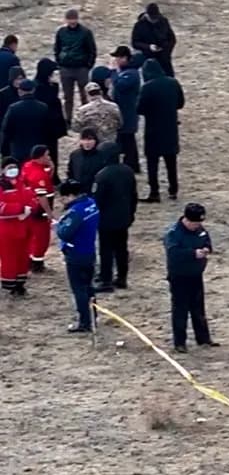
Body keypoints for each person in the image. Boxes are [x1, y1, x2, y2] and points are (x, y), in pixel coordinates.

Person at [165, 202, 216, 349]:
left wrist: (207, 248)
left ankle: (204, 339)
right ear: (186, 220)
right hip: (179, 276)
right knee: (180, 310)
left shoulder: (200, 229)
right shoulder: (174, 233)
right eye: (195, 223)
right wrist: (193, 253)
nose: (197, 226)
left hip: (196, 275)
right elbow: (173, 253)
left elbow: (206, 240)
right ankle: (180, 343)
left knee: (198, 308)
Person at [138, 58, 186, 201]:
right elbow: (180, 103)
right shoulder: (173, 83)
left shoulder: (147, 87)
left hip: (153, 130)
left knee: (152, 163)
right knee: (171, 162)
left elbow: (139, 109)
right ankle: (173, 190)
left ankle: (154, 192)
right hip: (170, 129)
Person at [54, 179, 99, 334]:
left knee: (79, 289)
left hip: (76, 254)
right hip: (89, 251)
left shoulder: (76, 212)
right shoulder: (91, 204)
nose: (62, 201)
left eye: (63, 198)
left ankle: (84, 322)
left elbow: (64, 233)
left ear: (71, 195)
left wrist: (59, 225)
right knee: (89, 287)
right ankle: (93, 316)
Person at [92, 153, 136, 293]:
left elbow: (98, 199)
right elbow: (133, 195)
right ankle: (122, 278)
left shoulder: (102, 175)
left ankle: (106, 280)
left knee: (106, 250)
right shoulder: (128, 171)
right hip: (123, 217)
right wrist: (131, 214)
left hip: (106, 220)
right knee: (121, 248)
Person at [0, 74, 56, 168]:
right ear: (33, 90)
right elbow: (50, 131)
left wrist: (4, 150)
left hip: (18, 150)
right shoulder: (43, 107)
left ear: (19, 91)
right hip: (38, 152)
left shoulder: (13, 108)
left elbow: (6, 130)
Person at [52, 9, 98, 121]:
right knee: (68, 97)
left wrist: (88, 65)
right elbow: (57, 48)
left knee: (85, 96)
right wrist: (59, 63)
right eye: (70, 19)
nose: (72, 22)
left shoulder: (86, 32)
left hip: (81, 68)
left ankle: (85, 119)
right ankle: (68, 120)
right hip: (65, 68)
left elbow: (92, 50)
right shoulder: (61, 32)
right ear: (66, 20)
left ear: (77, 19)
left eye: (74, 19)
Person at [0, 162, 37, 298]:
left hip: (24, 226)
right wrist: (20, 209)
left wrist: (29, 209)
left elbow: (33, 198)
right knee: (9, 258)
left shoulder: (23, 182)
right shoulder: (2, 186)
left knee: (23, 257)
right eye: (9, 168)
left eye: (14, 167)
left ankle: (20, 285)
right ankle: (10, 286)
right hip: (7, 229)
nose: (12, 170)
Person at [21, 145, 55, 274]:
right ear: (40, 157)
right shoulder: (39, 175)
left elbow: (46, 179)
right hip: (40, 210)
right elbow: (42, 196)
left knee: (31, 236)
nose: (49, 157)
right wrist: (49, 213)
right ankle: (37, 264)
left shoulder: (28, 166)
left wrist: (52, 168)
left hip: (30, 207)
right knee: (42, 238)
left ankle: (29, 260)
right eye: (47, 155)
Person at [31, 58, 67, 173]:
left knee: (53, 153)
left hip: (52, 127)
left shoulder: (50, 86)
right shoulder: (38, 88)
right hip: (43, 127)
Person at [109, 47, 141, 165]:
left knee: (128, 139)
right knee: (124, 139)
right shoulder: (124, 72)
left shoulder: (132, 73)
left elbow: (121, 85)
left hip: (128, 112)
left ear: (125, 58)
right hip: (123, 111)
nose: (116, 60)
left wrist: (113, 71)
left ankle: (132, 164)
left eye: (118, 57)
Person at [71, 79, 121, 153]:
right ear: (101, 92)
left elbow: (75, 128)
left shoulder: (82, 110)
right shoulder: (114, 106)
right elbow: (120, 124)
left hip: (90, 145)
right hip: (109, 143)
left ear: (87, 94)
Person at [132, 4, 177, 77]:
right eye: (152, 18)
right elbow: (135, 43)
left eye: (156, 18)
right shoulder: (139, 25)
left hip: (164, 58)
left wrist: (166, 49)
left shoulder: (163, 21)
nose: (154, 20)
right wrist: (148, 47)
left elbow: (172, 39)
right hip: (148, 58)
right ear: (146, 15)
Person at [65, 127, 114, 195]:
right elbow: (70, 173)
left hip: (95, 192)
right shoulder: (75, 155)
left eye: (90, 139)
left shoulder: (102, 156)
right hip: (78, 192)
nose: (87, 142)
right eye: (84, 139)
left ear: (95, 140)